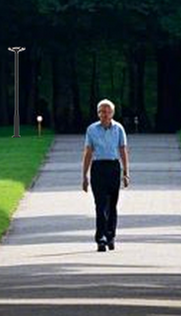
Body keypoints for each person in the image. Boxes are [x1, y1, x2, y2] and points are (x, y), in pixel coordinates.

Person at [81, 99, 129, 252]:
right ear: (98, 113)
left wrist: (126, 173)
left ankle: (110, 235)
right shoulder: (92, 130)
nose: (105, 114)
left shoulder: (118, 129)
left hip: (113, 167)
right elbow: (88, 152)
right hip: (98, 167)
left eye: (107, 111)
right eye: (102, 111)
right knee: (100, 204)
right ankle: (100, 237)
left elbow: (123, 150)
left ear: (112, 113)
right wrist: (84, 176)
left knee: (112, 205)